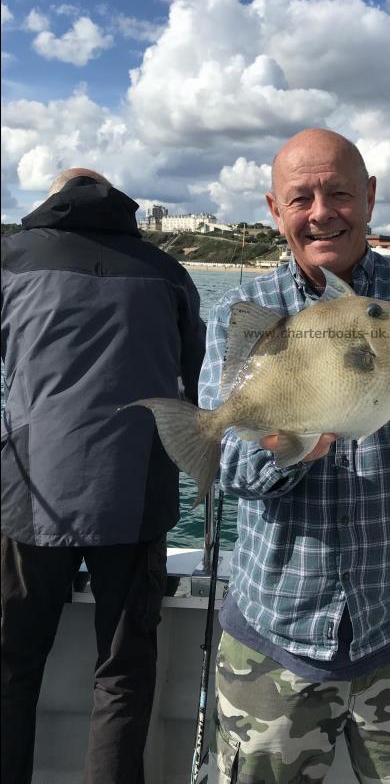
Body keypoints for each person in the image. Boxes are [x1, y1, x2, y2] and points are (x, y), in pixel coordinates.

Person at [200, 129, 390, 783]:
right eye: (300, 196)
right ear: (273, 207)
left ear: (368, 197)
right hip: (272, 636)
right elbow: (222, 464)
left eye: (339, 192)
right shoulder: (243, 311)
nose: (321, 211)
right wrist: (292, 446)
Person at [1, 169, 206, 784]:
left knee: (12, 665)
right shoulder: (168, 271)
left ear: (53, 200)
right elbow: (188, 385)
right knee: (122, 668)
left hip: (29, 494)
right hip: (135, 492)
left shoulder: (11, 258)